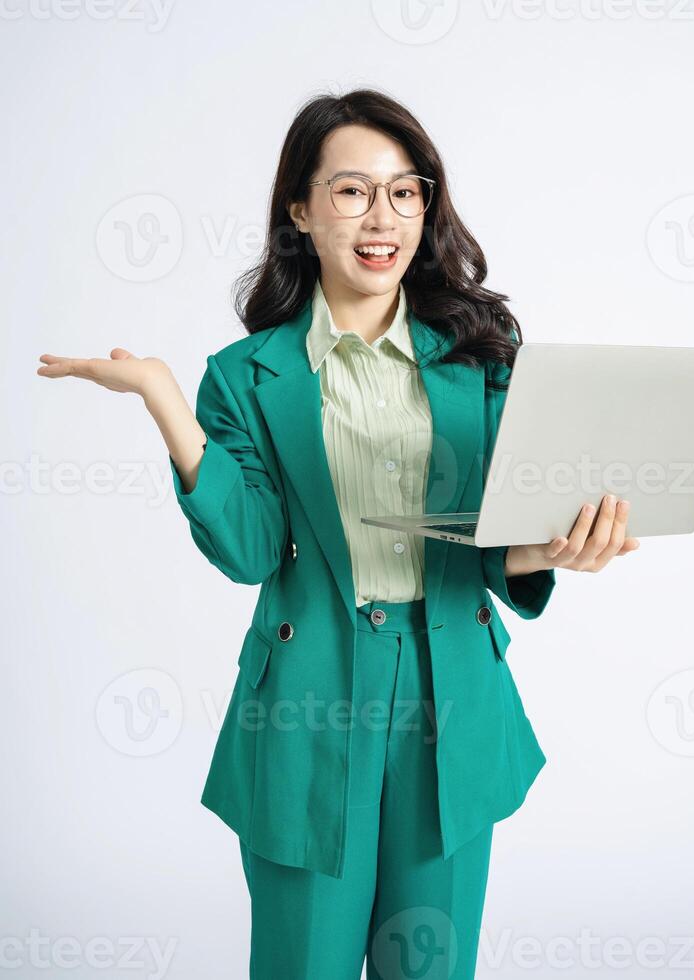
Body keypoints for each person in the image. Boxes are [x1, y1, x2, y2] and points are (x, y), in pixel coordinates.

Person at [38, 88, 639, 980]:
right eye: (353, 191)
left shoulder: (483, 350)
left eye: (406, 192)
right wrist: (167, 403)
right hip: (308, 703)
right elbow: (246, 550)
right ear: (300, 209)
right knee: (303, 964)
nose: (382, 217)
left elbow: (494, 538)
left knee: (430, 968)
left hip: (452, 697)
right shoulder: (245, 377)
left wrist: (556, 546)